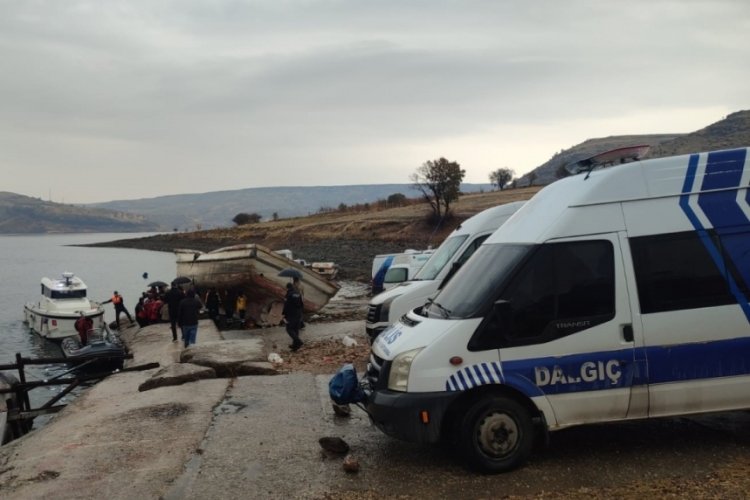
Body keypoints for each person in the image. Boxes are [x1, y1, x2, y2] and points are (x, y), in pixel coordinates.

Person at [282, 282, 304, 351]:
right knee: (295, 329)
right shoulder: (298, 293)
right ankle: (295, 346)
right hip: (298, 314)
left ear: (287, 288)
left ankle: (298, 341)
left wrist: (284, 314)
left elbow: (286, 305)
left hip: (291, 314)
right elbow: (301, 304)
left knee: (289, 329)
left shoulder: (288, 294)